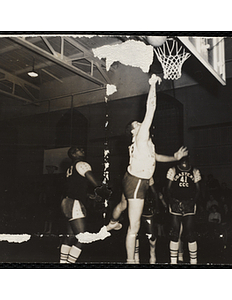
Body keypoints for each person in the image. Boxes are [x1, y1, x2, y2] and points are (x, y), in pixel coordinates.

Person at [106, 74, 188, 264]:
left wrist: (174, 157)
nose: (140, 123)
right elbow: (150, 108)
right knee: (134, 227)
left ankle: (111, 222)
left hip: (133, 179)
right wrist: (151, 85)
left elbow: (157, 157)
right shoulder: (140, 137)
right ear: (134, 132)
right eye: (137, 124)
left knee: (123, 205)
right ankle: (130, 261)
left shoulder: (147, 143)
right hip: (136, 182)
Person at [59, 146, 111, 263]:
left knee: (70, 237)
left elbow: (74, 187)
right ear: (73, 154)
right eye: (79, 149)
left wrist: (89, 195)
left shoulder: (70, 169)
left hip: (67, 202)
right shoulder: (82, 164)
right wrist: (107, 190)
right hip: (74, 203)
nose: (83, 150)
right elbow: (95, 183)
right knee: (83, 238)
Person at [166, 155, 201, 265]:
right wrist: (172, 201)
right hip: (176, 202)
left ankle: (193, 261)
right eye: (182, 160)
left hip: (189, 204)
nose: (184, 162)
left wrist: (192, 202)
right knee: (175, 232)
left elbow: (198, 189)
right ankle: (173, 261)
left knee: (190, 233)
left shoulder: (194, 170)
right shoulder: (172, 170)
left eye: (186, 160)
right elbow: (167, 189)